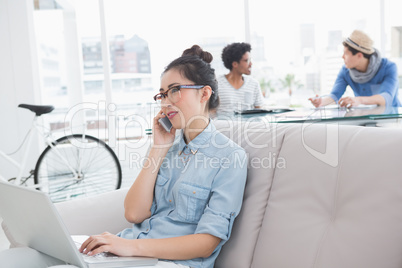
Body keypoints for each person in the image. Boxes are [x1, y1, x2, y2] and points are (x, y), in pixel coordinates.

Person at [0, 45, 248, 268]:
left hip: (170, 263)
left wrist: (127, 247)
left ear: (204, 94)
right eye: (162, 94)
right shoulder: (168, 148)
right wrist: (158, 149)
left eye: (174, 91)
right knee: (25, 258)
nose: (165, 103)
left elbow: (206, 243)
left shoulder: (230, 158)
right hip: (130, 255)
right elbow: (134, 214)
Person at [309, 30, 401, 108]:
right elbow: (334, 96)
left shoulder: (388, 67)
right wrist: (321, 101)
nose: (342, 57)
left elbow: (386, 98)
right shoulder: (345, 71)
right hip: (366, 118)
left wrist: (359, 100)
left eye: (346, 53)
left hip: (392, 118)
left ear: (359, 55)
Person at [216, 42, 264, 114]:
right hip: (223, 125)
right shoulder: (217, 83)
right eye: (246, 61)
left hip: (248, 124)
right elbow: (211, 112)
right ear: (235, 64)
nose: (250, 64)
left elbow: (260, 112)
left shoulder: (254, 84)